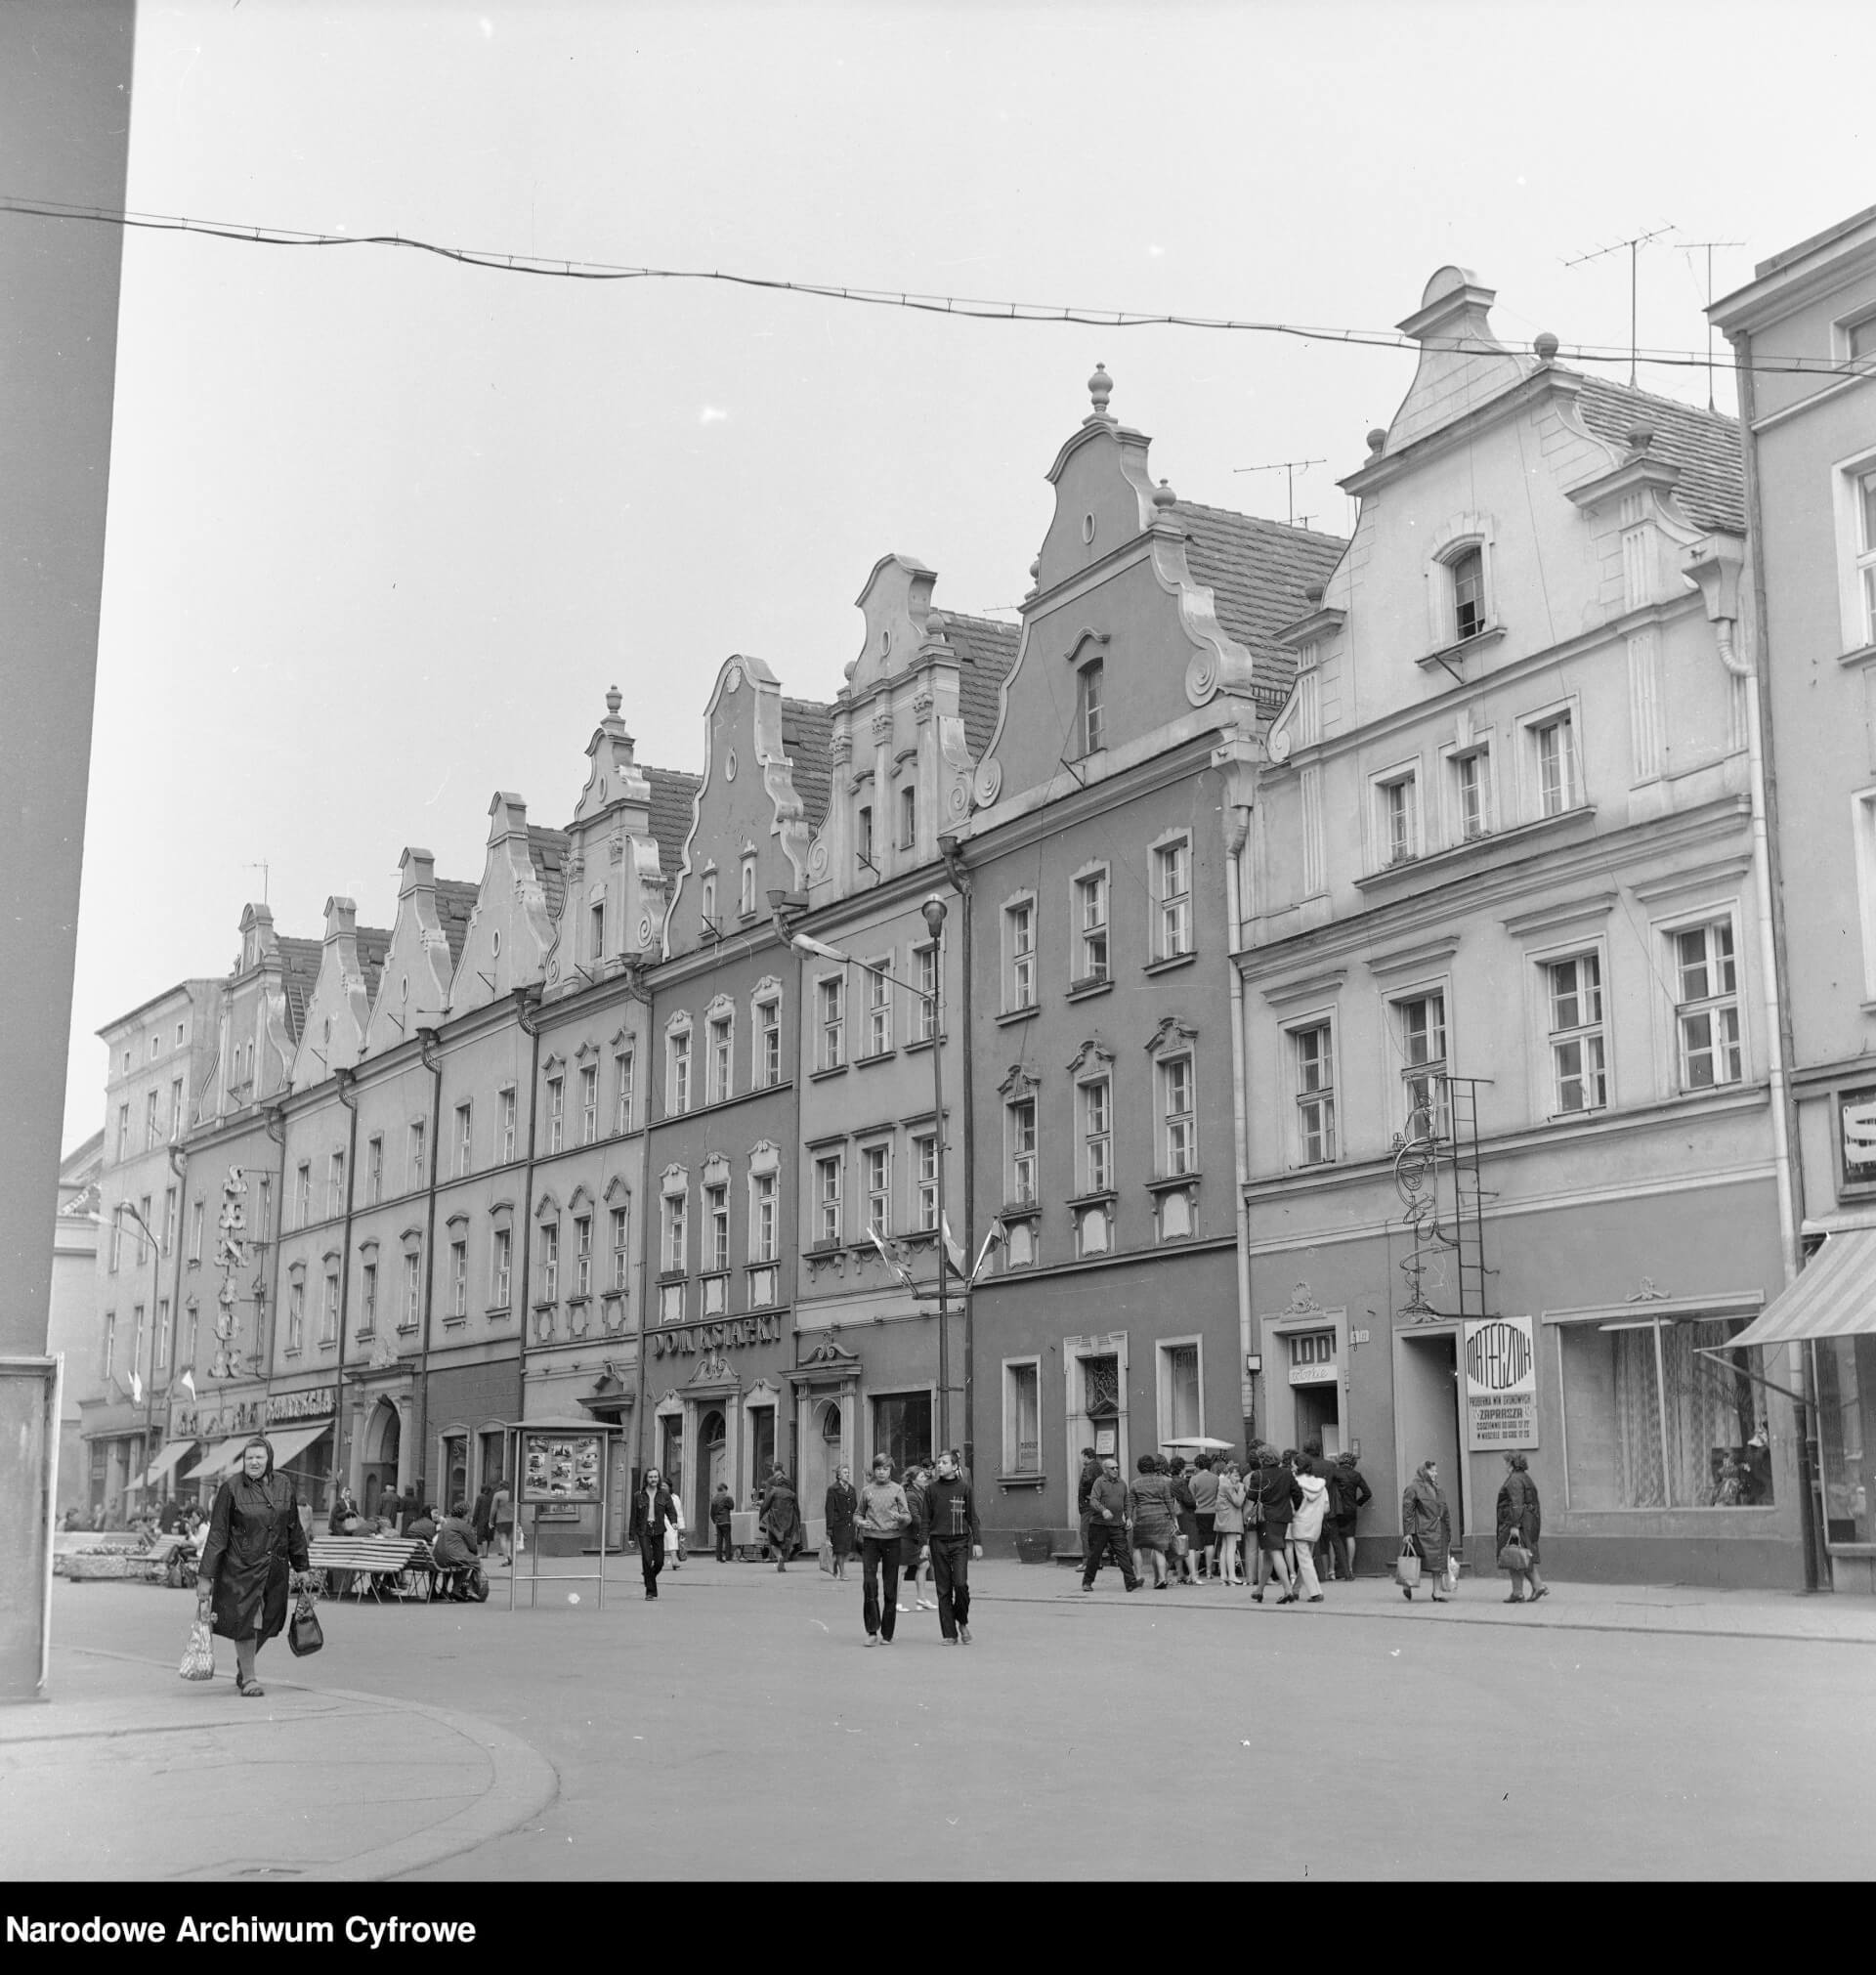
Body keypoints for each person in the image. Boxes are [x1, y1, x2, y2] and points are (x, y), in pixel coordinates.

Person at [194, 1436, 311, 1699]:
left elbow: (293, 1528)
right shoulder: (232, 1488)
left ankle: (243, 1662)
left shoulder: (284, 1485)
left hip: (275, 1567)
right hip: (242, 1567)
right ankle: (249, 1677)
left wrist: (302, 1566)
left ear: (269, 1459)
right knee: (247, 1620)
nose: (254, 1462)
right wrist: (206, 1577)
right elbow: (217, 1534)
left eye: (259, 1457)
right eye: (249, 1458)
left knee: (271, 1620)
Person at [921, 1450, 983, 1644]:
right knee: (943, 1589)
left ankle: (962, 1621)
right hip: (938, 1542)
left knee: (960, 1584)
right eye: (938, 1462)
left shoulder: (964, 1488)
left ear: (954, 1466)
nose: (939, 1466)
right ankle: (949, 1634)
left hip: (960, 1542)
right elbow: (925, 1520)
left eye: (944, 1462)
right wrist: (924, 1544)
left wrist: (978, 1543)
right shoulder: (931, 1490)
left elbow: (972, 1517)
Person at [855, 1454, 911, 1645]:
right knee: (869, 1584)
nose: (882, 1472)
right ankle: (872, 1631)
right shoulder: (866, 1491)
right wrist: (860, 1522)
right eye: (878, 1468)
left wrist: (901, 1518)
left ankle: (888, 1633)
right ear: (874, 1470)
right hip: (871, 1541)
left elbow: (907, 1516)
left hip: (892, 1540)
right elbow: (857, 1514)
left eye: (885, 1469)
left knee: (889, 1587)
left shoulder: (897, 1489)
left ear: (890, 1470)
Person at [1081, 1455, 1141, 1592]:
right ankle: (1087, 1582)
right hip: (1099, 1526)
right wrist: (1103, 1510)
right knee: (1095, 1555)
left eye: (1117, 1467)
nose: (1116, 1470)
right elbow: (1093, 1500)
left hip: (1117, 1525)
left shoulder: (1122, 1483)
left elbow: (1127, 1502)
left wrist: (1129, 1517)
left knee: (1123, 1554)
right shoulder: (1099, 1482)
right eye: (1112, 1468)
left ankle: (1130, 1582)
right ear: (1105, 1470)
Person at [1252, 1446, 1301, 1604]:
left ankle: (1287, 1590)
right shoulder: (1287, 1473)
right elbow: (1297, 1493)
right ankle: (1259, 1590)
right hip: (1283, 1517)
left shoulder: (1258, 1475)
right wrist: (1296, 1509)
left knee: (1274, 1551)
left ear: (1262, 1459)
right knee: (1269, 1553)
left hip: (1266, 1518)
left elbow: (1251, 1495)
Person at [1401, 1458, 1454, 1603]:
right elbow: (1408, 1512)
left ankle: (1436, 1593)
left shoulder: (1438, 1489)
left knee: (1438, 1563)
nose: (1435, 1473)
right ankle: (1407, 1583)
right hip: (1422, 1532)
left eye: (1436, 1471)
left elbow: (1445, 1511)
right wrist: (1408, 1533)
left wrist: (1448, 1531)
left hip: (1438, 1531)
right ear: (1424, 1471)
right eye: (1432, 1470)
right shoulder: (1413, 1488)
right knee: (1414, 1558)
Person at [1497, 1451, 1547, 1604]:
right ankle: (1530, 1588)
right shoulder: (1525, 1478)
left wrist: (1514, 1526)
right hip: (1529, 1522)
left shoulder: (1514, 1480)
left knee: (1514, 1555)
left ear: (1512, 1464)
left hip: (1517, 1522)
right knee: (1522, 1555)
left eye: (1506, 1462)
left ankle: (1522, 1591)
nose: (1504, 1466)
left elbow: (1516, 1503)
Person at [1127, 1453, 1178, 1589]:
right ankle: (1161, 1578)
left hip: (1143, 1518)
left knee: (1137, 1547)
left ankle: (1138, 1576)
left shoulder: (1135, 1484)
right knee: (1160, 1549)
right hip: (1161, 1518)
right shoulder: (1162, 1482)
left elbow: (1130, 1504)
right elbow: (1169, 1502)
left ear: (1139, 1468)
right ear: (1153, 1467)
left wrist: (1128, 1518)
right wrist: (1174, 1519)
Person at [629, 1466, 679, 1598]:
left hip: (658, 1529)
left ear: (658, 1478)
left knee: (659, 1561)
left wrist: (674, 1521)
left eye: (655, 1477)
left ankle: (648, 1577)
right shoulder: (638, 1495)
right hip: (643, 1530)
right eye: (651, 1477)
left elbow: (671, 1510)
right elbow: (634, 1516)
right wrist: (631, 1536)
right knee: (647, 1558)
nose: (653, 1479)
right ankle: (650, 1591)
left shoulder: (664, 1495)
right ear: (646, 1479)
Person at [1291, 1454, 1331, 1602]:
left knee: (1305, 1560)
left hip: (1300, 1524)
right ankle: (1295, 1589)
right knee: (1306, 1559)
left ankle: (1316, 1592)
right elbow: (1326, 1508)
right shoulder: (1321, 1485)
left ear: (1299, 1467)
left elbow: (1293, 1506)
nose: (1292, 1467)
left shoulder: (1295, 1483)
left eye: (1293, 1465)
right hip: (1315, 1525)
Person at [1326, 1451, 1371, 1583]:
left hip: (1336, 1509)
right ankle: (1349, 1568)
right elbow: (1367, 1493)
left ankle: (1332, 1570)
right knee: (1350, 1537)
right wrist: (1357, 1503)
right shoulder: (1356, 1475)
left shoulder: (1335, 1472)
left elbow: (1327, 1487)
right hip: (1351, 1510)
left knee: (1333, 1539)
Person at [432, 1499, 483, 1600]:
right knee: (476, 1563)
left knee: (464, 1561)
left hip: (438, 1558)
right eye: (469, 1514)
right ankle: (470, 1589)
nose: (469, 1517)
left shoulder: (447, 1522)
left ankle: (456, 1590)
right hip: (453, 1557)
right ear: (465, 1514)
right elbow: (473, 1547)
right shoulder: (464, 1526)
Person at [900, 1462, 933, 1611]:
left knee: (924, 1565)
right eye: (921, 1476)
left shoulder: (922, 1492)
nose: (925, 1478)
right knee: (901, 1569)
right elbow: (915, 1518)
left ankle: (921, 1599)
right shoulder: (910, 1495)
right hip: (906, 1538)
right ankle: (894, 1601)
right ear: (913, 1480)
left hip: (916, 1538)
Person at [1212, 1460, 1247, 1586]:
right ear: (1229, 1474)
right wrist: (1242, 1489)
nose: (1238, 1479)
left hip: (1223, 1518)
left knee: (1225, 1548)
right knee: (1232, 1547)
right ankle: (1232, 1576)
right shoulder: (1228, 1485)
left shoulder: (1223, 1483)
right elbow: (1238, 1502)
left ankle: (1223, 1576)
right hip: (1230, 1518)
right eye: (1236, 1476)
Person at [1169, 1457, 1202, 1584]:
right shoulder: (1181, 1482)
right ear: (1182, 1468)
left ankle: (1180, 1573)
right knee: (1191, 1545)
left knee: (1178, 1544)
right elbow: (1188, 1500)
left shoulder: (1170, 1482)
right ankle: (1193, 1575)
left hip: (1176, 1515)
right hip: (1186, 1515)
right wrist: (1195, 1503)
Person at [761, 1466, 800, 1572]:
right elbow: (797, 1509)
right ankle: (784, 1557)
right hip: (789, 1520)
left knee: (773, 1542)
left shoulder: (773, 1492)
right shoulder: (792, 1494)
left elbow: (765, 1505)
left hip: (774, 1520)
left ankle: (779, 1557)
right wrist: (798, 1524)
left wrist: (761, 1516)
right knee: (785, 1541)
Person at [1188, 1453, 1220, 1580]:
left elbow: (1191, 1498)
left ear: (1197, 1465)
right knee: (1210, 1543)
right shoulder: (1215, 1478)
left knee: (1197, 1544)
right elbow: (1218, 1495)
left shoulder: (1194, 1479)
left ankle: (1195, 1571)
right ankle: (1208, 1571)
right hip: (1212, 1512)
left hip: (1197, 1512)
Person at [824, 1465, 857, 1579]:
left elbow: (855, 1506)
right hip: (838, 1524)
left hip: (849, 1523)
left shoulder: (852, 1489)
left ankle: (835, 1564)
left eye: (848, 1472)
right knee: (840, 1549)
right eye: (845, 1472)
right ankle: (843, 1573)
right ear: (838, 1475)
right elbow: (829, 1509)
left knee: (846, 1549)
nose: (847, 1474)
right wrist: (829, 1528)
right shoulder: (833, 1489)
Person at [1076, 1445, 1101, 1564]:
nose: (1082, 1460)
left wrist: (1086, 1495)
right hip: (1096, 1504)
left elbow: (1087, 1482)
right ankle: (1097, 1560)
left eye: (1083, 1457)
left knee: (1084, 1532)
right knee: (1094, 1533)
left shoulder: (1088, 1468)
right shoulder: (1099, 1467)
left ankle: (1088, 1562)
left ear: (1086, 1456)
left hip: (1087, 1505)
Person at [490, 1477, 514, 1565]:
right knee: (509, 1539)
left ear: (501, 1486)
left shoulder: (498, 1495)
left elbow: (493, 1509)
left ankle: (505, 1559)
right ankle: (509, 1555)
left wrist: (491, 1520)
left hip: (501, 1520)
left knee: (503, 1539)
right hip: (512, 1519)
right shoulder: (512, 1494)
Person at [711, 1480, 737, 1562]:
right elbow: (732, 1506)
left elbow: (712, 1512)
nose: (726, 1491)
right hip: (726, 1521)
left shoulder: (714, 1499)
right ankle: (728, 1557)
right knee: (727, 1539)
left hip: (718, 1522)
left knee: (719, 1540)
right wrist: (730, 1498)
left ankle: (718, 1557)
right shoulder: (727, 1497)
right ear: (724, 1489)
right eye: (726, 1490)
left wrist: (714, 1520)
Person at [471, 1479, 496, 1554]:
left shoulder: (480, 1497)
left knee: (482, 1537)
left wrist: (473, 1523)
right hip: (491, 1519)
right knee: (488, 1536)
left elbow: (476, 1510)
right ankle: (486, 1552)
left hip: (482, 1520)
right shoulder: (492, 1498)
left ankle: (484, 1554)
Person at [665, 1493, 687, 1570]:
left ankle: (674, 1561)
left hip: (671, 1522)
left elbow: (679, 1513)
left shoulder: (675, 1497)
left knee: (673, 1541)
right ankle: (653, 1561)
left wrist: (681, 1526)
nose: (663, 1487)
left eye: (665, 1486)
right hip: (658, 1521)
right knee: (656, 1542)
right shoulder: (656, 1494)